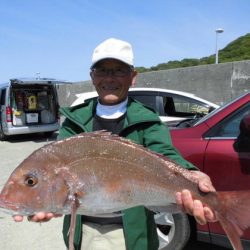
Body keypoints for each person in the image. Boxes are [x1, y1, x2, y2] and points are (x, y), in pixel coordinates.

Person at [14, 38, 216, 250]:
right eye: (102, 71)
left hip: (134, 234)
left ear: (133, 77)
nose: (109, 78)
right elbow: (55, 169)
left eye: (119, 70)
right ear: (92, 76)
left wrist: (192, 175)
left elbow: (165, 154)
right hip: (86, 233)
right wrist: (40, 201)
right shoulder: (74, 120)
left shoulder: (147, 119)